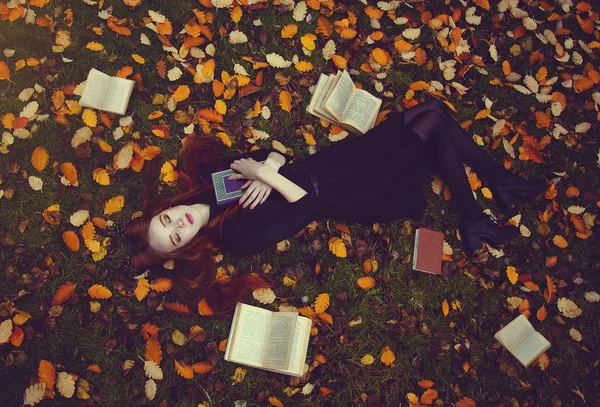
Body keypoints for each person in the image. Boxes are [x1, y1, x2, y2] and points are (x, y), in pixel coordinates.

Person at [112, 99, 546, 315]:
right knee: (432, 124)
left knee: (432, 111)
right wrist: (266, 176)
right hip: (355, 193)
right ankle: (486, 203)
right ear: (185, 247)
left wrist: (272, 162)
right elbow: (306, 210)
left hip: (334, 163)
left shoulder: (210, 185)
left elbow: (269, 151)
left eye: (167, 219)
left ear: (167, 208)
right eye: (174, 236)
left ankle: (484, 206)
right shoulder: (236, 237)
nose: (179, 225)